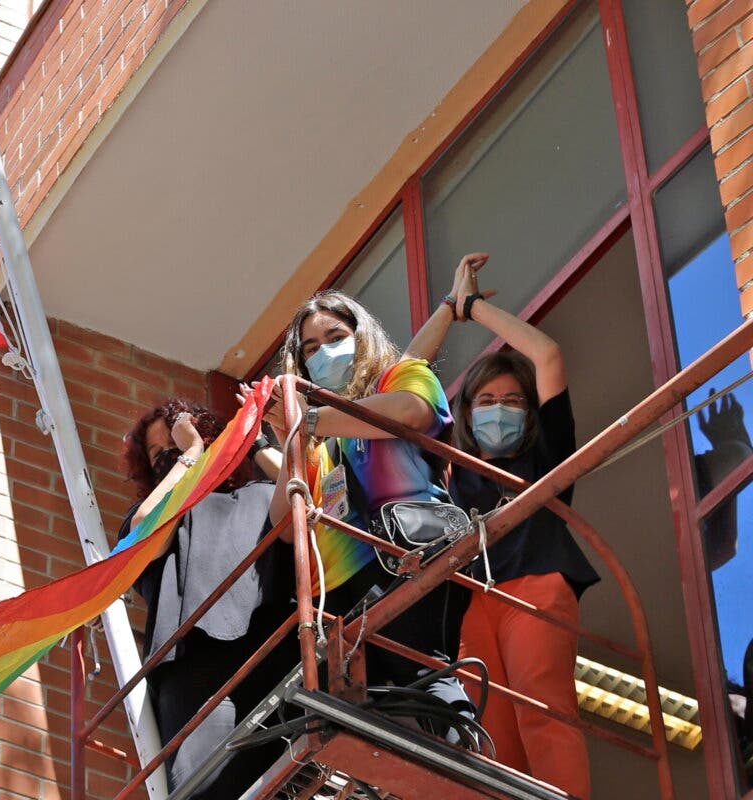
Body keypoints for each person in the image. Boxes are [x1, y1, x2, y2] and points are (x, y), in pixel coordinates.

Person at [405, 252, 600, 798]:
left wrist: (474, 309)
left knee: (543, 708)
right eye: (486, 401)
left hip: (537, 584)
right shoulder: (454, 470)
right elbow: (404, 379)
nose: (499, 409)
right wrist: (446, 308)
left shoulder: (547, 457)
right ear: (466, 415)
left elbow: (547, 353)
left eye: (512, 401)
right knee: (491, 739)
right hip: (473, 604)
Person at [258, 290, 473, 726]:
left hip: (411, 553)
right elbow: (283, 525)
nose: (323, 352)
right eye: (311, 349)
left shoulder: (400, 376)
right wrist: (291, 439)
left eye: (335, 336)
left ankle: (463, 755)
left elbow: (411, 411)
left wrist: (311, 418)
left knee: (424, 676)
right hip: (339, 596)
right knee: (373, 710)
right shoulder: (317, 443)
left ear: (362, 336)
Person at [119, 399, 294, 798]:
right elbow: (146, 533)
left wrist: (253, 442)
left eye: (177, 444)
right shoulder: (160, 512)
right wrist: (192, 455)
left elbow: (306, 499)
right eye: (159, 454)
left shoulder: (260, 494)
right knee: (205, 786)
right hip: (195, 667)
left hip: (272, 655)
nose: (170, 456)